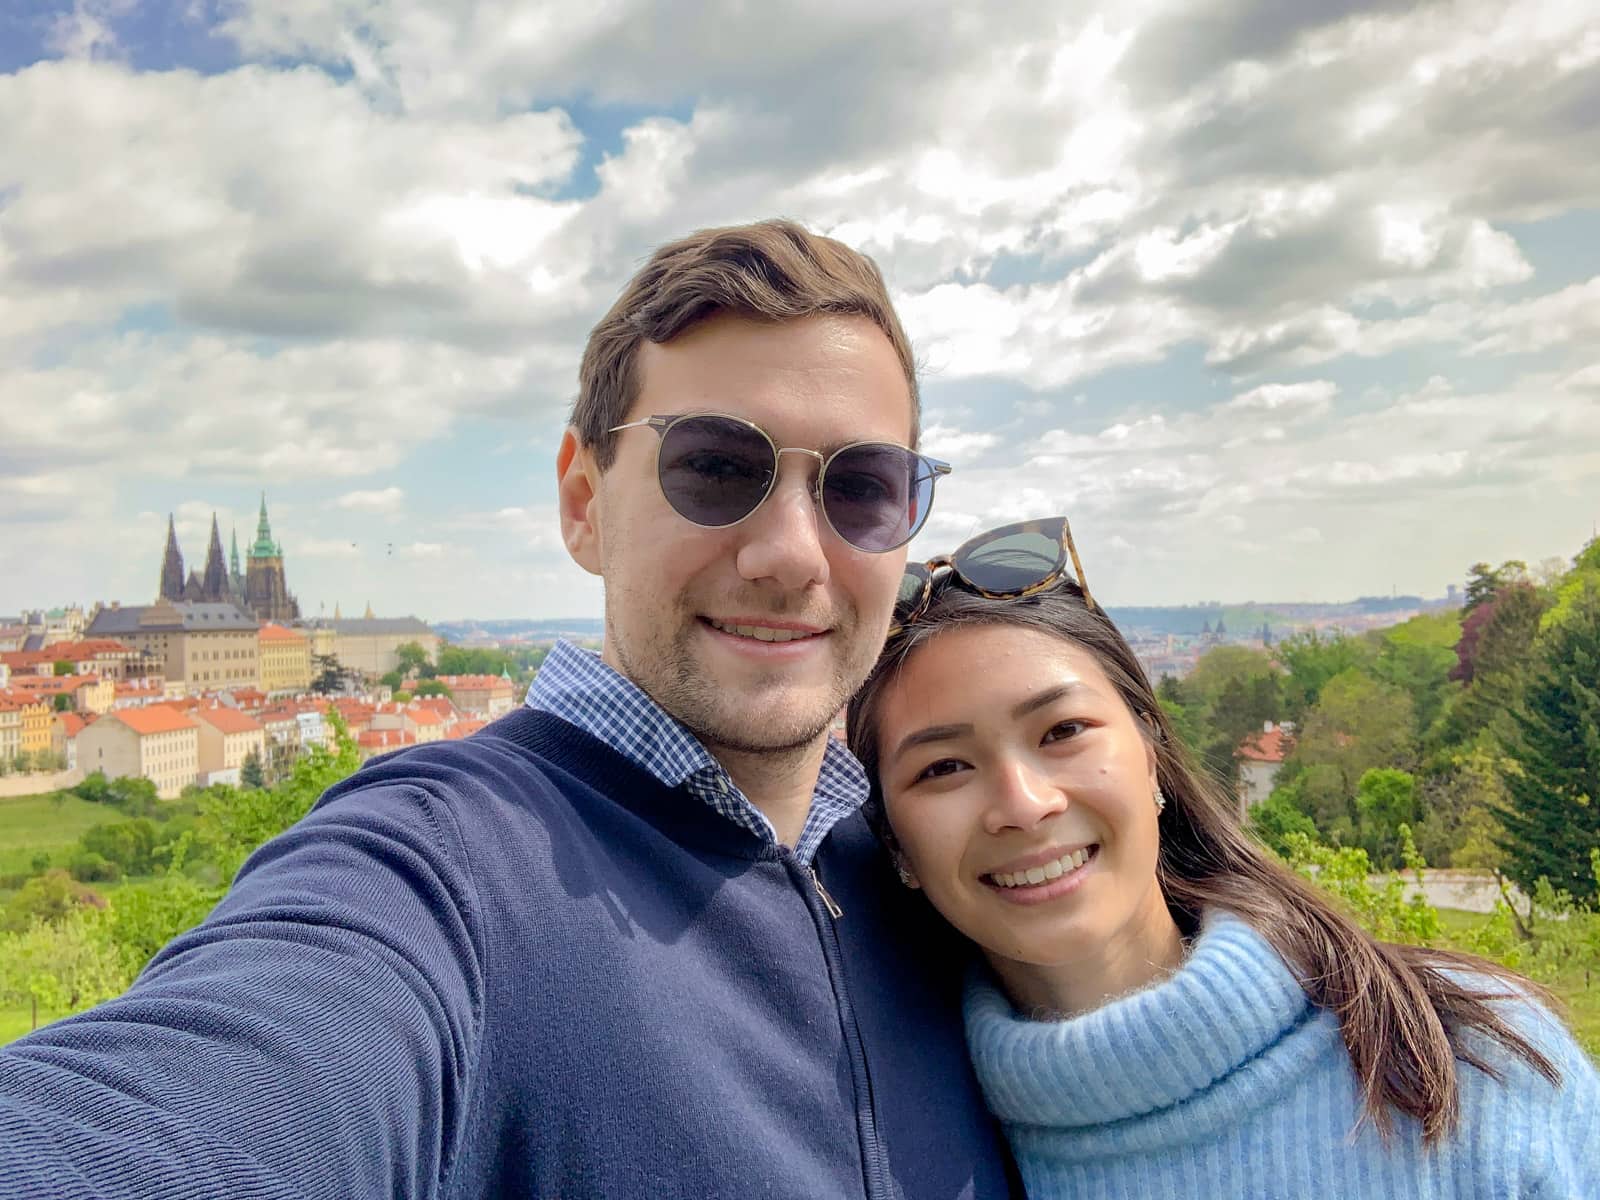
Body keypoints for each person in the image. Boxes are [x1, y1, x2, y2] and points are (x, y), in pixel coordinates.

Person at [0, 221, 1018, 1199]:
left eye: (864, 487)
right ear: (583, 502)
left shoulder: (928, 865)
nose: (793, 554)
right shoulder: (442, 871)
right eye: (713, 468)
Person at [846, 516, 1600, 1199]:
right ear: (895, 844)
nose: (1023, 803)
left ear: (1151, 756)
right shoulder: (879, 1152)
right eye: (943, 768)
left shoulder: (1473, 1063)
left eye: (1062, 731)